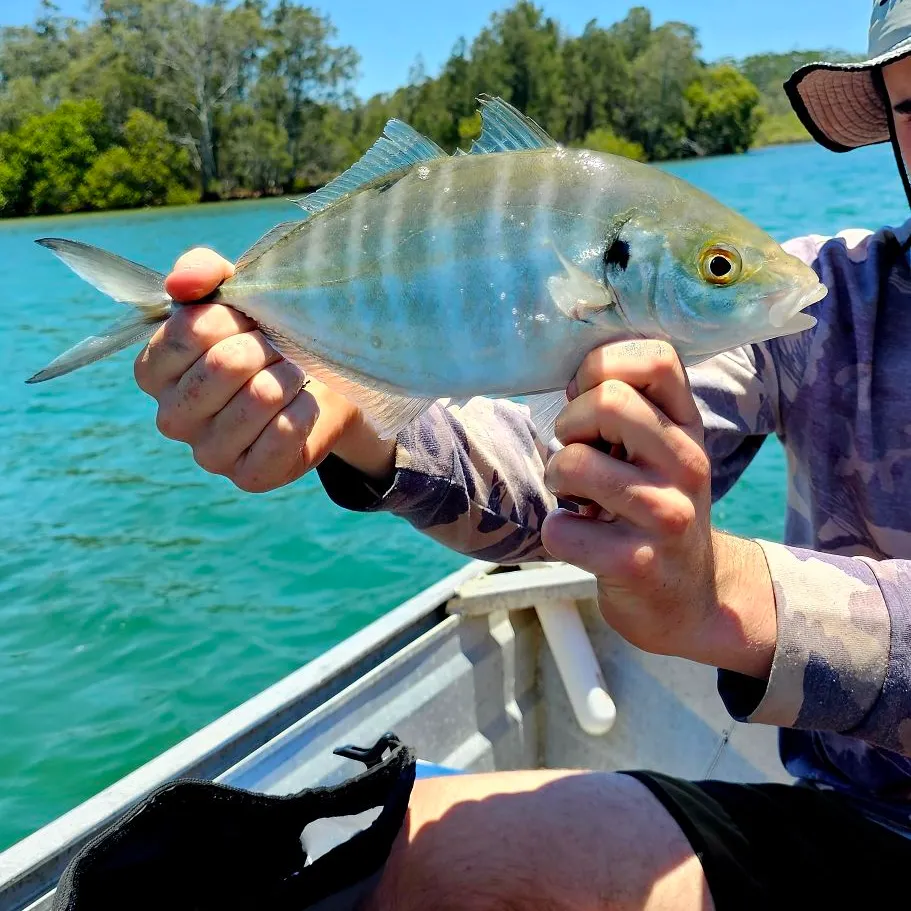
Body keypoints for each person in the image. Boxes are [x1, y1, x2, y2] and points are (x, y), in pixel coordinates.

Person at [132, 5, 911, 909]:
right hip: (862, 825)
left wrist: (726, 594)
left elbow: (710, 588)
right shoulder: (829, 301)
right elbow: (556, 478)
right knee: (420, 859)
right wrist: (357, 414)